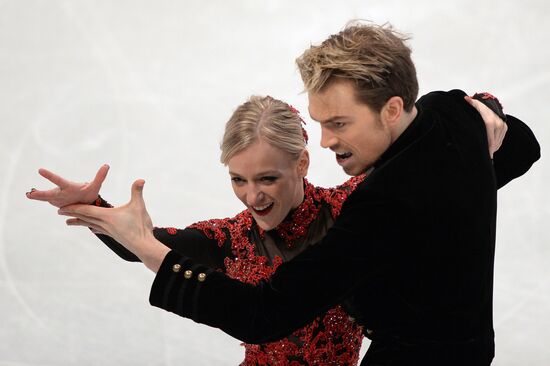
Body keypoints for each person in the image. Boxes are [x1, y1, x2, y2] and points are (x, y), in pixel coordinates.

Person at [31, 23, 540, 365]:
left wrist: (146, 249)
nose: (327, 141)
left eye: (339, 122)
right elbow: (517, 146)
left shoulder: (360, 209)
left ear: (390, 108)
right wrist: (481, 108)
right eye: (238, 179)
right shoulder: (448, 120)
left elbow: (262, 315)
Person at [29, 96, 367, 365]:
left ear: (301, 164)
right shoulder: (232, 239)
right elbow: (144, 245)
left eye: (267, 178)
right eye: (238, 179)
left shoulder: (350, 213)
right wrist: (95, 207)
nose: (252, 196)